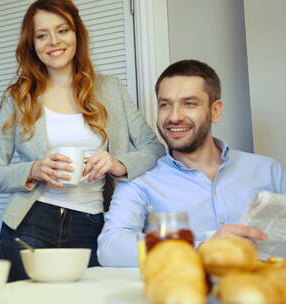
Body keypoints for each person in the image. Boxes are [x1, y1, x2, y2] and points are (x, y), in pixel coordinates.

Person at [0, 0, 164, 281]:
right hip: (30, 224)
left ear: (77, 33)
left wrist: (117, 163)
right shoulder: (18, 98)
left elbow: (154, 149)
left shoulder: (111, 89)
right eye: (42, 35)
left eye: (62, 30)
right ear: (33, 44)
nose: (53, 42)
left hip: (91, 224)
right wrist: (34, 170)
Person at [97, 59, 286, 267]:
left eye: (189, 103)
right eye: (165, 105)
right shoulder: (139, 180)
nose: (174, 116)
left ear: (215, 111)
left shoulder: (268, 170)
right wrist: (199, 248)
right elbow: (110, 248)